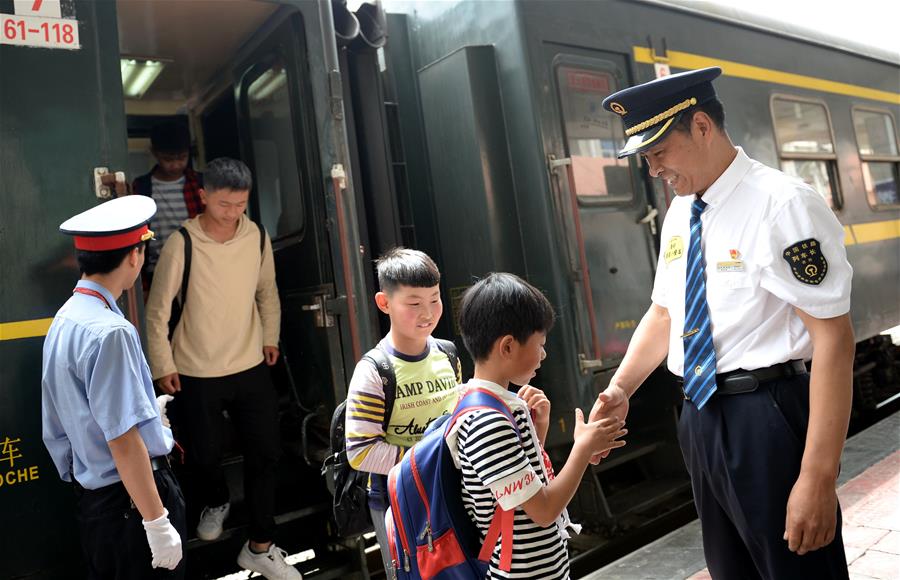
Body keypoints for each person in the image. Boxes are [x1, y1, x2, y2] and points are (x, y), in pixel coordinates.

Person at [590, 67, 854, 579]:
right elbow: (665, 312)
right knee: (732, 568)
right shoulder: (681, 212)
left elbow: (834, 339)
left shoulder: (782, 204)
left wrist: (818, 476)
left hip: (767, 418)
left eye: (659, 152)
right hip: (701, 416)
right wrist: (621, 388)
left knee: (797, 566)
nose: (652, 169)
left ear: (703, 126)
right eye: (645, 157)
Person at [144, 158, 298, 579]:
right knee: (205, 455)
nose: (233, 213)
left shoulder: (258, 237)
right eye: (225, 204)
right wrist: (163, 363)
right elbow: (156, 311)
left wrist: (270, 337)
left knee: (266, 453)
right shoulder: (182, 242)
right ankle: (216, 500)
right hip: (194, 368)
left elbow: (268, 293)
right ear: (204, 196)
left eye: (241, 204)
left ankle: (261, 545)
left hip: (249, 362)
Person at [42, 195, 185, 578]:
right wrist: (156, 523)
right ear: (136, 256)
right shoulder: (112, 332)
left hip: (96, 502)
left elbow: (67, 422)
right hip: (131, 505)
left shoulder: (66, 318)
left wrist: (146, 413)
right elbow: (122, 440)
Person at [450, 272, 627, 579]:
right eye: (540, 344)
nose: (543, 354)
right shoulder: (488, 422)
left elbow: (517, 489)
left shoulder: (491, 404)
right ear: (507, 347)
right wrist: (582, 450)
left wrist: (538, 430)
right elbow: (543, 511)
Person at [344, 247, 462, 573]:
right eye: (414, 303)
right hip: (397, 497)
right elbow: (360, 452)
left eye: (434, 299)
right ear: (384, 303)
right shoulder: (374, 370)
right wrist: (425, 458)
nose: (428, 312)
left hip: (449, 484)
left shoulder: (449, 356)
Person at [132, 121, 204, 289]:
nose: (175, 165)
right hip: (157, 274)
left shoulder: (200, 184)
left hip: (197, 270)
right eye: (168, 159)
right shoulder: (142, 187)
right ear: (154, 153)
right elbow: (138, 239)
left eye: (182, 158)